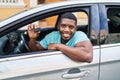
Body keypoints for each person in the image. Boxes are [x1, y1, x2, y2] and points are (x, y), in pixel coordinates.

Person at [28, 12, 93, 62]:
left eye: (71, 27)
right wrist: (32, 39)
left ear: (76, 29)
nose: (67, 30)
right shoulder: (53, 36)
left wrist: (58, 46)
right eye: (63, 26)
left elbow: (88, 56)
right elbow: (35, 50)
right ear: (58, 27)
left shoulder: (79, 35)